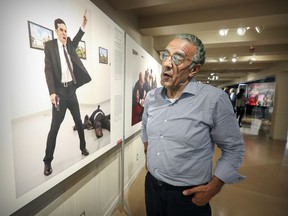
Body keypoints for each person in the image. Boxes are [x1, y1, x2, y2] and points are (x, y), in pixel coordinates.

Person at [141, 34, 245, 216]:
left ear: (194, 69)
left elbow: (233, 149)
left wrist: (214, 186)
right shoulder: (152, 97)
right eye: (165, 55)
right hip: (152, 187)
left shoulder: (214, 99)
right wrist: (150, 156)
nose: (166, 63)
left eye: (177, 58)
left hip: (187, 196)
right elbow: (146, 130)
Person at [43, 12, 92, 176]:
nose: (64, 33)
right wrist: (52, 92)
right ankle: (47, 161)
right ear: (56, 31)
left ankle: (83, 147)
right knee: (55, 127)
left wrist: (83, 25)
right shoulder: (50, 47)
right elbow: (48, 70)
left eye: (66, 30)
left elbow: (77, 38)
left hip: (71, 90)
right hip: (59, 94)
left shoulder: (69, 43)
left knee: (78, 121)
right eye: (61, 30)